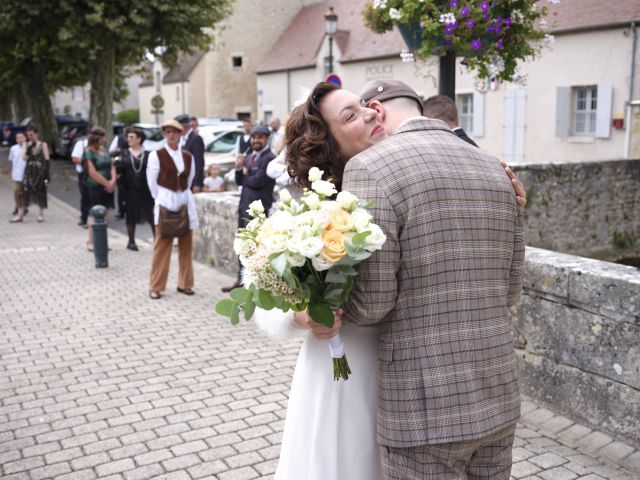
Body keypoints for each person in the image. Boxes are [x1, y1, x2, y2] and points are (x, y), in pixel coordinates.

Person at [254, 81, 526, 480]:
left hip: (416, 378)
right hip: (348, 372)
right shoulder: (307, 210)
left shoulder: (406, 173)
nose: (370, 112)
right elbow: (263, 294)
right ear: (326, 142)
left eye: (364, 105)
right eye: (350, 114)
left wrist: (510, 201)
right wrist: (303, 316)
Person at [146, 119, 199, 300]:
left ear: (180, 134)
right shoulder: (156, 155)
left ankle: (185, 284)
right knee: (162, 247)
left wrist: (180, 194)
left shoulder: (188, 156)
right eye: (167, 132)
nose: (171, 135)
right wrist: (161, 198)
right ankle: (156, 286)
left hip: (184, 202)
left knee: (186, 246)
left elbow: (189, 179)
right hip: (165, 203)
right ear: (164, 134)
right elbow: (151, 182)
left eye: (174, 132)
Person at [221, 124, 276, 293]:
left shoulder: (270, 158)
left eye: (259, 137)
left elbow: (257, 182)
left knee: (256, 250)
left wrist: (246, 175)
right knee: (243, 247)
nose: (256, 140)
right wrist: (239, 169)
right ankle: (241, 280)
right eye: (253, 137)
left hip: (259, 211)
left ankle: (255, 287)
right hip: (244, 208)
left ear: (266, 138)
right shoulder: (249, 156)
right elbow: (240, 181)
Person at [120, 127, 154, 251]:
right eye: (128, 137)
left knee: (151, 214)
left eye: (132, 137)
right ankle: (131, 241)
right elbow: (118, 169)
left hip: (146, 189)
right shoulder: (124, 153)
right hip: (130, 189)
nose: (128, 139)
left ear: (139, 139)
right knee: (131, 214)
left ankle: (158, 240)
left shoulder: (149, 154)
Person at [83, 127, 116, 251]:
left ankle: (102, 241)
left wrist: (113, 181)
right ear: (97, 138)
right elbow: (92, 172)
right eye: (104, 137)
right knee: (94, 213)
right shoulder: (88, 152)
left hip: (108, 186)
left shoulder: (104, 150)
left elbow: (112, 165)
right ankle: (90, 241)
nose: (105, 140)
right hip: (95, 186)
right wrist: (106, 183)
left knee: (105, 213)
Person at [11, 126, 50, 223]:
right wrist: (28, 149)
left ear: (36, 134)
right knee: (23, 192)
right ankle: (20, 215)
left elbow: (47, 159)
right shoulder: (26, 144)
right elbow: (24, 157)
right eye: (28, 135)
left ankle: (40, 214)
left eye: (31, 135)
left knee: (41, 192)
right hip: (29, 171)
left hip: (39, 171)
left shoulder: (43, 145)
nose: (29, 137)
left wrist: (47, 173)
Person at [176, 114, 205, 193]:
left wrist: (197, 183)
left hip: (192, 180)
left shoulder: (196, 139)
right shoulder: (181, 138)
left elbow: (198, 162)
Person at [109, 129, 129, 218]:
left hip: (130, 166)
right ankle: (122, 211)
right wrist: (118, 151)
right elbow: (111, 152)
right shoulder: (118, 138)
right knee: (121, 191)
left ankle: (129, 211)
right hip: (120, 164)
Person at [71, 134, 90, 227]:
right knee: (85, 196)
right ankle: (84, 218)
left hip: (94, 174)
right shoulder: (81, 144)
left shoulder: (99, 145)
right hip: (83, 174)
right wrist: (86, 162)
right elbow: (74, 158)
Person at [8, 132, 26, 217]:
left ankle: (24, 207)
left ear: (25, 138)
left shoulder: (28, 148)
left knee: (25, 192)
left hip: (26, 174)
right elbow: (11, 160)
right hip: (16, 174)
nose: (19, 140)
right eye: (17, 138)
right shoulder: (13, 148)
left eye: (21, 137)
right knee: (16, 191)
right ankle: (17, 206)